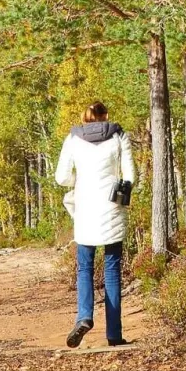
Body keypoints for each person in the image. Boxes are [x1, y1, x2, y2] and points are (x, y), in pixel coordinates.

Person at [54, 101, 135, 348]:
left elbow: (61, 177)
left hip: (86, 208)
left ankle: (84, 316)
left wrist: (81, 179)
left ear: (85, 117)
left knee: (84, 268)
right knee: (112, 270)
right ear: (105, 116)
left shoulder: (73, 139)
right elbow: (131, 176)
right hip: (111, 207)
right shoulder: (119, 135)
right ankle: (114, 334)